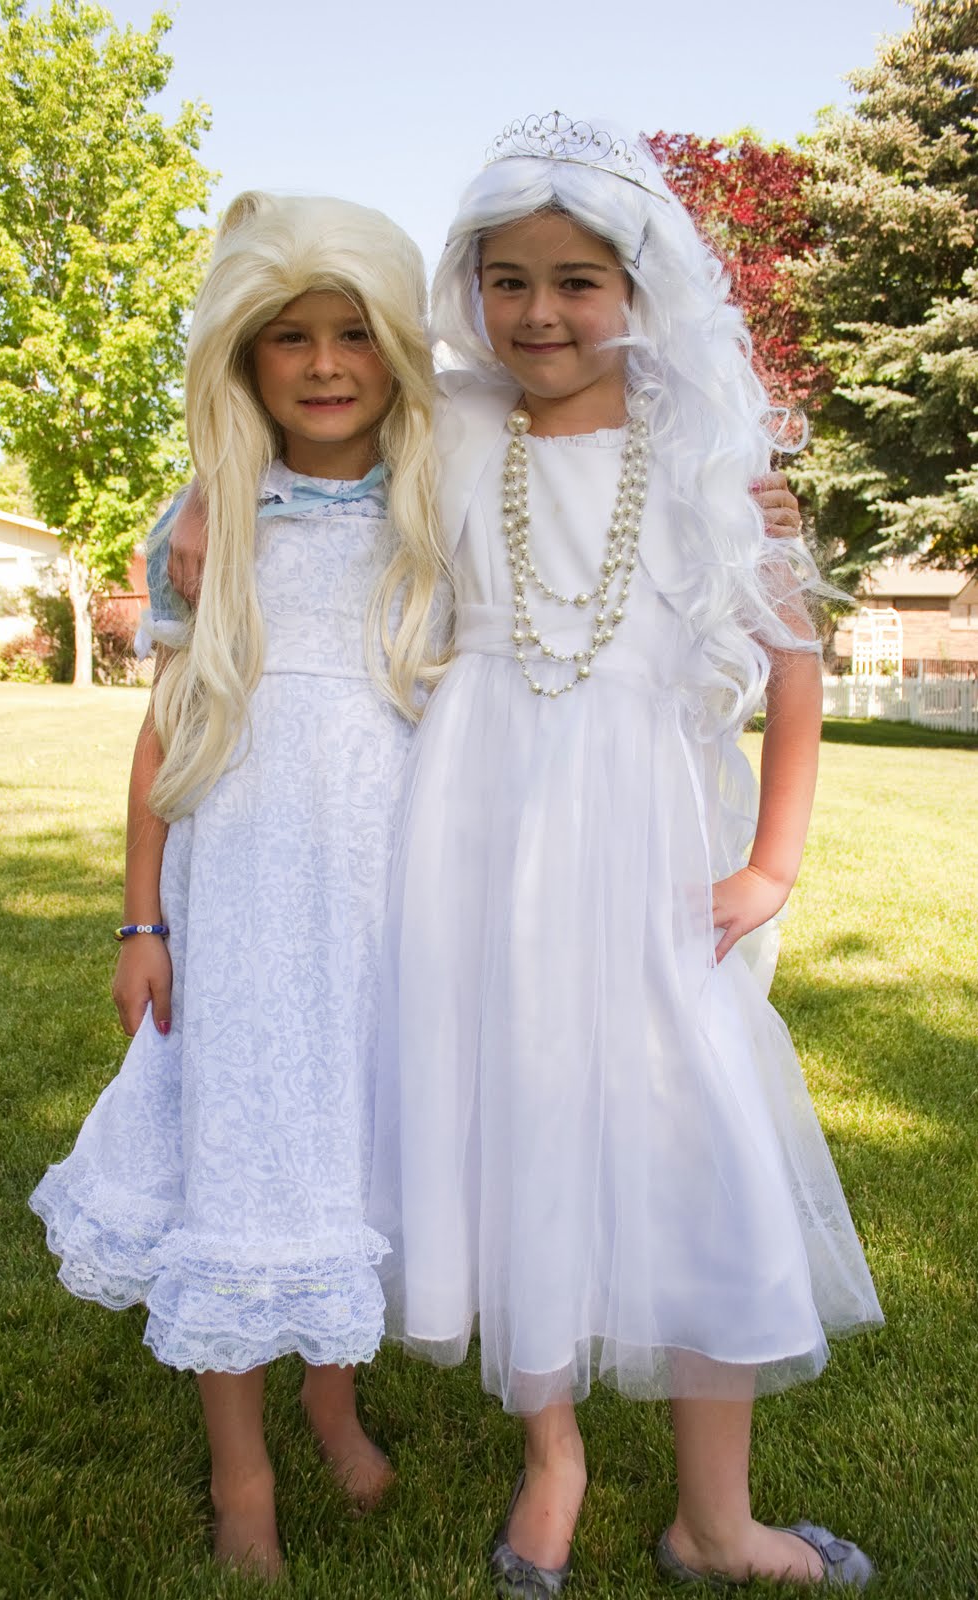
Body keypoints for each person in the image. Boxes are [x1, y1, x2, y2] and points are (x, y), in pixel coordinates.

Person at [365, 114, 882, 1594]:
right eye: (509, 280)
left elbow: (795, 664)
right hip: (475, 831)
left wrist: (772, 865)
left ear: (640, 286)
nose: (540, 313)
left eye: (578, 281)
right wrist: (202, 502)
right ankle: (554, 1455)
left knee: (697, 1127)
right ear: (471, 287)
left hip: (650, 845)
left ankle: (715, 1519)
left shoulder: (711, 459)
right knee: (510, 1110)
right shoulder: (446, 429)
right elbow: (291, 437)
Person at [29, 190, 445, 1581]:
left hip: (383, 896)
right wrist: (141, 917)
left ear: (397, 347)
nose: (324, 364)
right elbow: (168, 727)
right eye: (288, 337)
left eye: (353, 334)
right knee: (246, 1150)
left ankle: (331, 1400)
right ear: (244, 356)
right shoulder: (209, 522)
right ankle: (242, 1472)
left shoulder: (436, 510)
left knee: (347, 1146)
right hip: (247, 900)